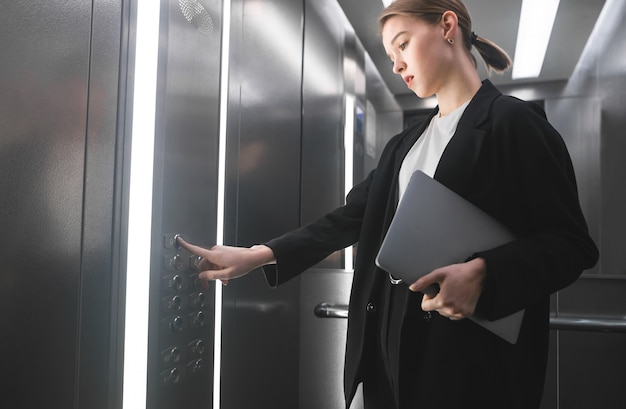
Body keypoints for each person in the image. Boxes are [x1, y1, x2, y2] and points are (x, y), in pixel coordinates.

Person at [177, 0, 599, 408]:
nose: (396, 64)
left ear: (447, 26)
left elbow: (570, 245)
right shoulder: (404, 145)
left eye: (402, 43)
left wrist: (485, 275)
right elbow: (350, 218)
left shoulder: (514, 124)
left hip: (466, 367)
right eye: (390, 52)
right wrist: (259, 256)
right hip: (385, 362)